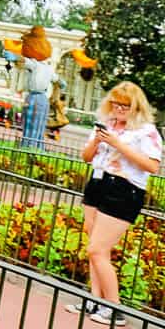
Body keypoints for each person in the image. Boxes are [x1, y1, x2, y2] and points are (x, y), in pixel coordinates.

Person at [65, 82, 162, 325]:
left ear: (135, 106)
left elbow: (152, 166)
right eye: (116, 103)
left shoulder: (145, 131)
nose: (119, 109)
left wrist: (119, 145)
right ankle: (94, 299)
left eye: (125, 105)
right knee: (96, 248)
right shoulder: (106, 125)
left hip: (124, 188)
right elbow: (86, 157)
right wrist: (97, 141)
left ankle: (114, 307)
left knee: (97, 249)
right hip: (98, 183)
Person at [18, 47, 58, 150]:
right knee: (39, 126)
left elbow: (23, 61)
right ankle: (37, 148)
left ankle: (27, 147)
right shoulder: (49, 69)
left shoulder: (35, 64)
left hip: (34, 98)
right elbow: (58, 80)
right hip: (43, 100)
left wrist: (13, 55)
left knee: (29, 125)